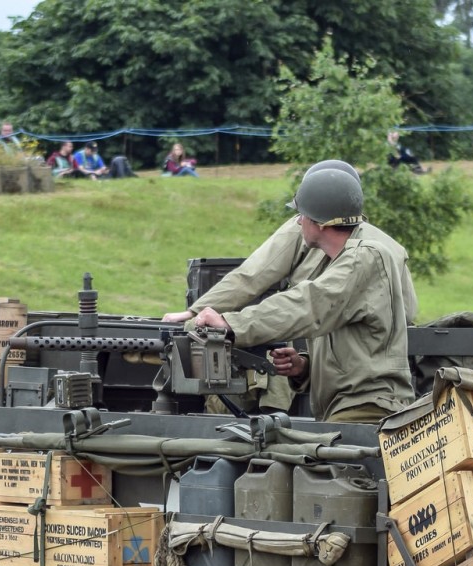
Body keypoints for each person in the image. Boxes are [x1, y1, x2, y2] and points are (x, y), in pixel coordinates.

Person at [164, 160, 419, 415]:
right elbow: (351, 336)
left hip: (368, 405)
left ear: (319, 221)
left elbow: (307, 304)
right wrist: (304, 367)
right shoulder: (355, 255)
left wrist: (231, 325)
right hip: (349, 401)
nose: (297, 222)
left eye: (302, 214)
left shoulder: (365, 258)